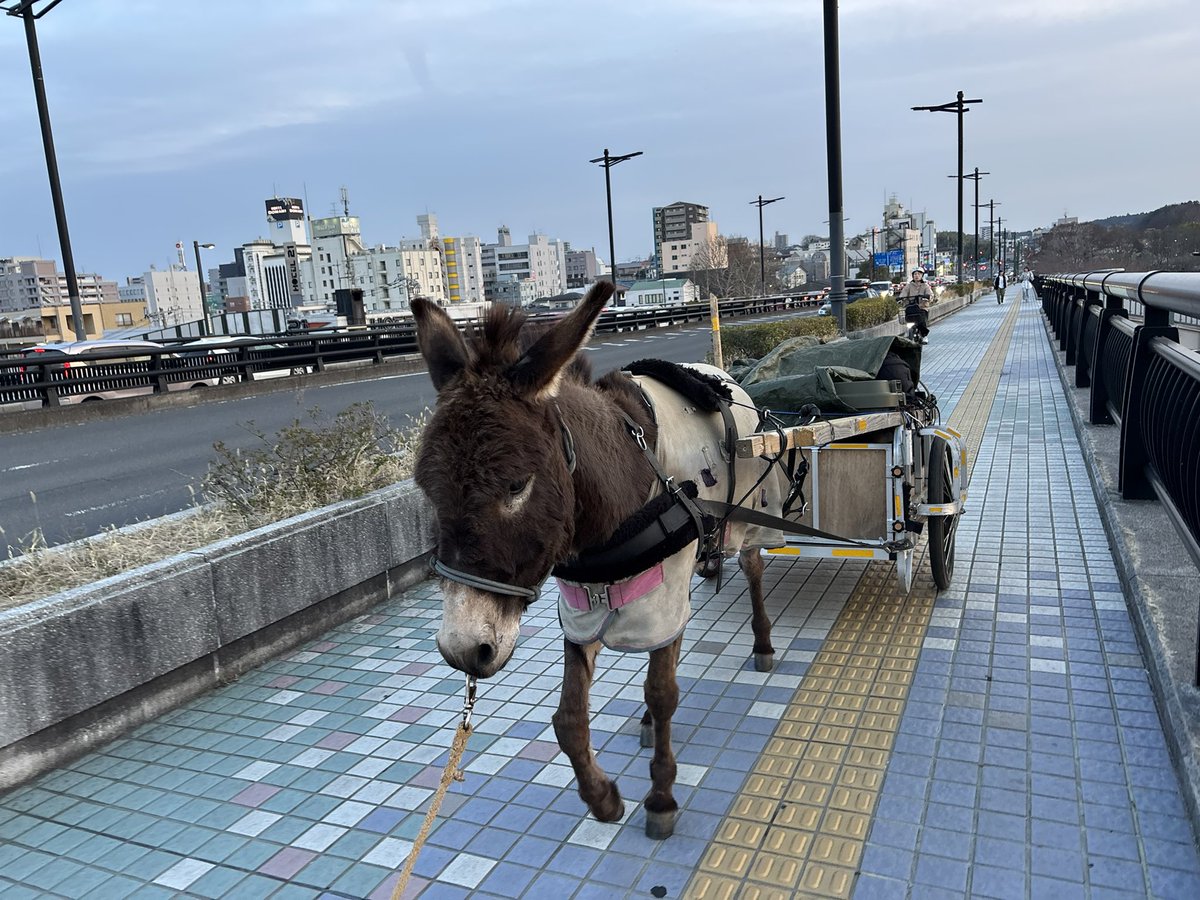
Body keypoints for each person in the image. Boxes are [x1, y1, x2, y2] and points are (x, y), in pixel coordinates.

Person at [897, 268, 933, 342]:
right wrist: (900, 298)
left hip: (922, 307)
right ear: (913, 276)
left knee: (922, 320)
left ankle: (924, 336)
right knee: (908, 318)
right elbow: (903, 293)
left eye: (919, 274)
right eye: (915, 274)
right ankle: (909, 332)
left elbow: (930, 294)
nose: (917, 276)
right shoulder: (909, 286)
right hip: (911, 307)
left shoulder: (925, 286)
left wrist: (927, 297)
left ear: (922, 275)